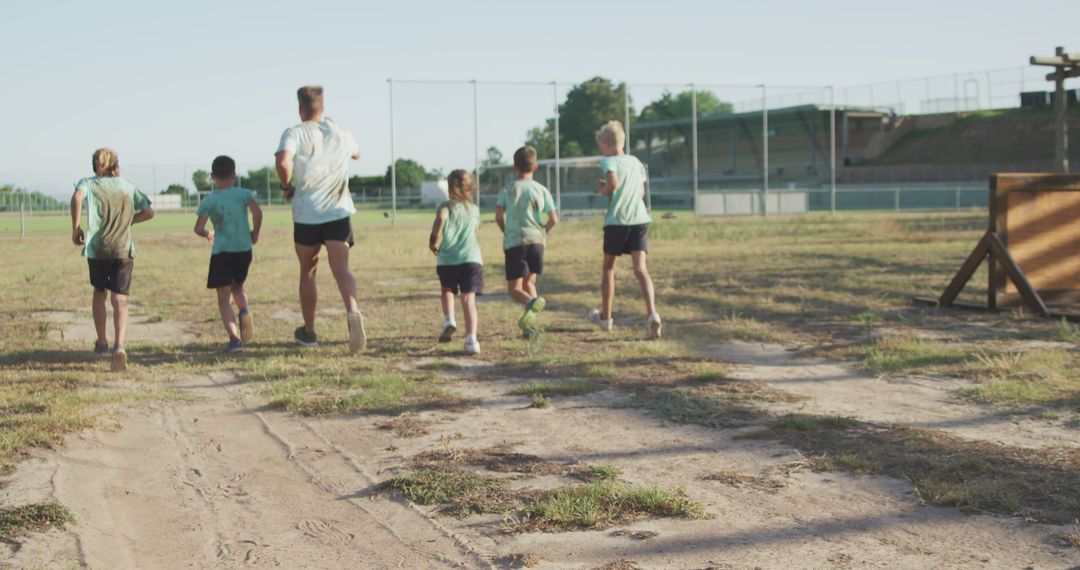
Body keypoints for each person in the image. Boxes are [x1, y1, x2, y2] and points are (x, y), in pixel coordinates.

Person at [275, 85, 366, 352]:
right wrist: (337, 128)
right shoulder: (341, 132)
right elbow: (358, 154)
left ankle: (310, 333)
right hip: (337, 212)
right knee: (342, 270)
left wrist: (285, 185)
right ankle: (353, 312)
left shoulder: (294, 132)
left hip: (306, 213)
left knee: (309, 271)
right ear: (323, 108)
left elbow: (283, 162)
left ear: (300, 108)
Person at [70, 148, 155, 371]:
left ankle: (102, 342)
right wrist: (128, 222)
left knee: (99, 293)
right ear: (116, 164)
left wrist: (76, 227)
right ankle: (119, 346)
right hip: (122, 249)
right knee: (120, 299)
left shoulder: (88, 183)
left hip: (98, 250)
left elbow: (77, 197)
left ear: (94, 165)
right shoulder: (127, 186)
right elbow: (149, 212)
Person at [588, 120, 662, 340]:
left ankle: (607, 318)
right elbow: (639, 192)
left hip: (617, 221)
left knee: (609, 269)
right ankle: (652, 314)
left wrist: (604, 189)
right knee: (640, 269)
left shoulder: (608, 161)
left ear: (605, 143)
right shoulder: (636, 162)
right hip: (639, 219)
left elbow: (613, 183)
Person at [193, 155, 263, 353]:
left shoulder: (210, 200)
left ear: (212, 176)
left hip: (222, 252)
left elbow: (198, 228)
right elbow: (258, 212)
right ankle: (244, 310)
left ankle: (234, 339)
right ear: (234, 174)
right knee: (238, 287)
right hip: (243, 249)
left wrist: (208, 234)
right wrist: (255, 233)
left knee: (224, 298)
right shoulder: (244, 194)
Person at [495, 145, 559, 339]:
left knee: (515, 289)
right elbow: (554, 219)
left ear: (515, 167)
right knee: (529, 283)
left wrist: (507, 231)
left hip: (516, 243)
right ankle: (529, 329)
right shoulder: (542, 190)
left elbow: (499, 216)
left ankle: (531, 303)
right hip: (537, 242)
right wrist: (543, 232)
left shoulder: (507, 190)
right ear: (536, 167)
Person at [429, 170, 483, 355]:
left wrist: (433, 240)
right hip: (471, 259)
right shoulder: (474, 209)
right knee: (468, 299)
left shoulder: (446, 206)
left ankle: (449, 319)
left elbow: (441, 218)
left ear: (450, 187)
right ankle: (471, 341)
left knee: (448, 290)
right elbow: (475, 232)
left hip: (448, 259)